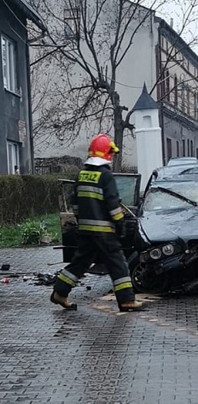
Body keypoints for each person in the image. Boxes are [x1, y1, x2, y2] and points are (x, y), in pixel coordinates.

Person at [50, 134, 144, 312]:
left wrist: (81, 221)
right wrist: (120, 223)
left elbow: (75, 204)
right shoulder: (105, 176)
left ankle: (59, 293)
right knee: (118, 263)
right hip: (104, 233)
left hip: (85, 231)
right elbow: (113, 205)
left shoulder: (81, 175)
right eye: (111, 153)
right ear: (106, 154)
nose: (113, 156)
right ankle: (126, 301)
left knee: (79, 263)